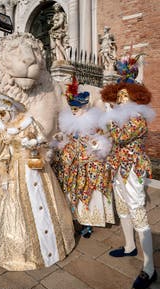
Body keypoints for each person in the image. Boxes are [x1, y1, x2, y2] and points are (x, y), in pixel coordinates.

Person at [0, 95, 75, 271]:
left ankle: (49, 245)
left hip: (32, 167)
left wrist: (33, 143)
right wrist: (2, 169)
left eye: (3, 112)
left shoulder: (28, 121)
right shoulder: (0, 127)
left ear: (11, 110)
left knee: (39, 201)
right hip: (11, 169)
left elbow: (43, 141)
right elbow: (0, 152)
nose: (1, 116)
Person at [100, 55, 157, 289]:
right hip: (117, 169)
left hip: (132, 170)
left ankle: (149, 268)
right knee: (122, 207)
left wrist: (109, 116)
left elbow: (120, 137)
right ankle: (129, 246)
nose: (121, 101)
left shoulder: (137, 120)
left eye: (126, 97)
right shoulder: (120, 118)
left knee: (137, 211)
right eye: (119, 96)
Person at [52, 76, 115, 238]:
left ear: (84, 108)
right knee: (71, 188)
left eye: (77, 109)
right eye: (72, 109)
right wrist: (61, 140)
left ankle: (87, 222)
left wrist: (95, 146)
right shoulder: (69, 121)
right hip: (73, 162)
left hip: (88, 162)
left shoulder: (94, 121)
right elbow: (67, 138)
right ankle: (75, 218)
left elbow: (102, 139)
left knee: (88, 189)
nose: (74, 112)